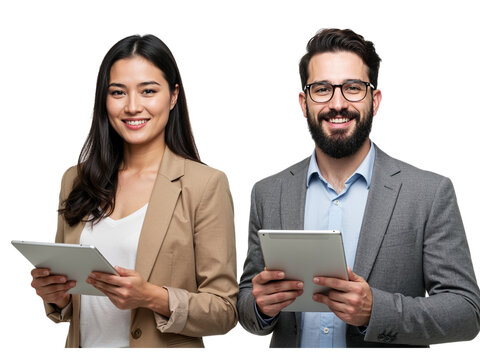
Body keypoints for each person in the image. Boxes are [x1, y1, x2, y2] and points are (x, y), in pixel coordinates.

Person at [237, 28, 480, 347]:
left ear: (374, 100)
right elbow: (245, 302)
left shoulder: (429, 193)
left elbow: (466, 312)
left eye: (352, 88)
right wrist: (260, 307)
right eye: (322, 89)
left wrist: (375, 311)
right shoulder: (268, 193)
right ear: (304, 102)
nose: (337, 104)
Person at [30, 34, 238, 348]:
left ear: (172, 96)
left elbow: (225, 309)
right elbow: (74, 302)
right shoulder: (76, 180)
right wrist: (57, 296)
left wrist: (152, 297)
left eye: (148, 91)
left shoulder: (204, 185)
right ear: (104, 99)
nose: (132, 106)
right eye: (118, 92)